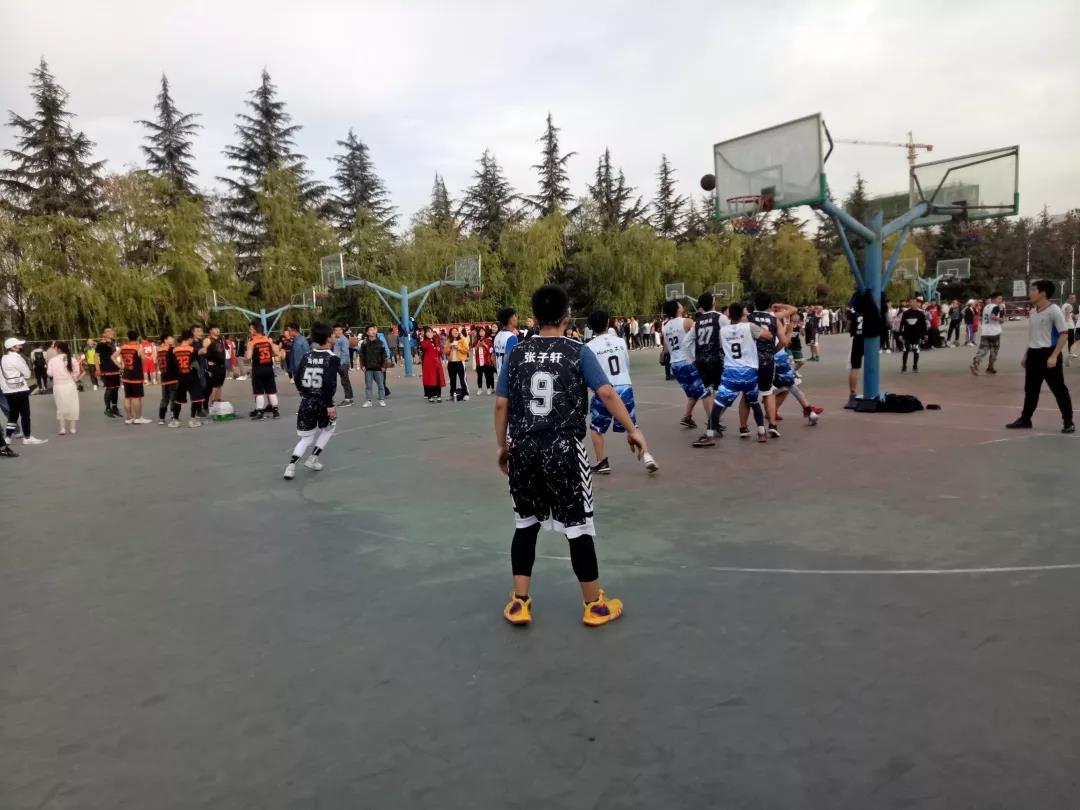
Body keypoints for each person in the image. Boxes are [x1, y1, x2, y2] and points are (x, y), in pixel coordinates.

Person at [496, 285, 649, 627]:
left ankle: (520, 602)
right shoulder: (577, 351)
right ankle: (594, 605)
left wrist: (502, 446)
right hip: (564, 450)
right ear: (567, 317)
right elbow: (606, 392)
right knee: (578, 528)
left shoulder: (517, 353)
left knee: (525, 525)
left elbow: (501, 403)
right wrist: (632, 429)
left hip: (523, 449)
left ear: (534, 318)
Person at [585, 309, 659, 475]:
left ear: (590, 326)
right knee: (632, 425)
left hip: (604, 388)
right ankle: (647, 456)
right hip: (625, 385)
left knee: (596, 429)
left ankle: (602, 462)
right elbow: (626, 362)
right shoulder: (620, 342)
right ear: (608, 322)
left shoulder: (589, 347)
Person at [694, 302, 771, 447]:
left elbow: (722, 347)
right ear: (743, 314)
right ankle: (761, 433)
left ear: (729, 315)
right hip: (749, 372)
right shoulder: (749, 326)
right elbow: (768, 336)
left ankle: (710, 436)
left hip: (731, 373)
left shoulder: (723, 331)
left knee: (718, 405)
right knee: (754, 403)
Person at [1006, 280, 1074, 433]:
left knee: (1059, 389)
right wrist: (1026, 354)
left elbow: (1064, 334)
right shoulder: (1033, 312)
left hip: (1049, 353)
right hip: (1033, 354)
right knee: (1031, 390)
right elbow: (1033, 336)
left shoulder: (1054, 310)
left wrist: (1054, 356)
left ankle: (1068, 421)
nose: (1030, 293)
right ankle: (1025, 419)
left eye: (1033, 290)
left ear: (1043, 293)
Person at [283, 321, 339, 480]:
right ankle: (313, 458)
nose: (334, 337)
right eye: (333, 335)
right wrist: (329, 405)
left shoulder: (307, 355)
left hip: (307, 401)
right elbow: (329, 383)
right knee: (329, 428)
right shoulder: (332, 358)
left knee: (306, 437)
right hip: (322, 401)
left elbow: (297, 377)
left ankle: (291, 466)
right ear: (328, 338)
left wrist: (302, 392)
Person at [662, 299, 713, 431]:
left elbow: (666, 349)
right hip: (688, 361)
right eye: (679, 304)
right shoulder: (687, 322)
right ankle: (712, 422)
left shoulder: (665, 327)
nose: (681, 305)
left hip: (675, 364)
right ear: (677, 309)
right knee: (706, 392)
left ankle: (687, 417)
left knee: (693, 393)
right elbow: (701, 335)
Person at [2, 337, 47, 444]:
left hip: (8, 390)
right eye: (18, 345)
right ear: (12, 347)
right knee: (25, 414)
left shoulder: (3, 358)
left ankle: (8, 437)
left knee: (13, 415)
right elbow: (27, 374)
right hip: (20, 389)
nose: (21, 346)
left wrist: (5, 388)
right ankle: (27, 437)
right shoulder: (17, 358)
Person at [244, 322, 282, 419]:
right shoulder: (268, 340)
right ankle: (275, 411)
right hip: (269, 368)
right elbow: (276, 353)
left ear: (255, 330)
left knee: (259, 392)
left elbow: (248, 357)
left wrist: (247, 352)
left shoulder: (252, 342)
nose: (250, 331)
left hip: (258, 369)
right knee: (271, 391)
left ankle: (260, 412)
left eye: (251, 329)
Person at [169, 331, 203, 428]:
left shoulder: (174, 350)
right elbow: (196, 364)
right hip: (192, 377)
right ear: (190, 338)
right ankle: (192, 420)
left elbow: (171, 366)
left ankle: (175, 420)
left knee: (178, 400)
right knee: (196, 398)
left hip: (180, 378)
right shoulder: (192, 349)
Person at [47, 340, 82, 435]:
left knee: (60, 406)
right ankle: (72, 428)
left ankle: (62, 428)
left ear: (58, 349)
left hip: (58, 386)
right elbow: (76, 372)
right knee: (73, 405)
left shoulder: (52, 360)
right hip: (70, 385)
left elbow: (49, 373)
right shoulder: (72, 359)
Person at [117, 331, 151, 424]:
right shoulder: (139, 347)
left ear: (128, 337)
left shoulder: (123, 347)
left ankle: (129, 418)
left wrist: (121, 366)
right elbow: (143, 361)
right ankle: (138, 417)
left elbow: (113, 356)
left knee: (127, 397)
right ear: (137, 337)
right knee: (137, 397)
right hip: (136, 375)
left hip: (126, 375)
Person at [971, 293, 1005, 376]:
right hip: (994, 332)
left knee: (982, 350)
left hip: (985, 332)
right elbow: (993, 316)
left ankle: (975, 364)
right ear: (994, 299)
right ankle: (990, 367)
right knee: (994, 351)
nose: (1000, 300)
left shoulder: (986, 307)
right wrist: (1001, 319)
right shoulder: (996, 307)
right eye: (999, 298)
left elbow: (982, 318)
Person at [359, 325, 388, 407]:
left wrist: (383, 366)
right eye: (371, 330)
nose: (373, 331)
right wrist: (362, 365)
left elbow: (384, 355)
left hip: (378, 368)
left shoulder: (380, 343)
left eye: (374, 329)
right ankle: (368, 401)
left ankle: (382, 399)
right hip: (368, 368)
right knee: (368, 385)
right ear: (367, 333)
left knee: (381, 385)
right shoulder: (364, 343)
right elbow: (362, 355)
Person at [202, 326, 228, 408]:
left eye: (218, 329)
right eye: (215, 329)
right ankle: (212, 403)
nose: (218, 330)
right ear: (210, 331)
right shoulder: (208, 340)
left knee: (220, 384)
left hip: (222, 365)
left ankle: (218, 401)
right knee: (214, 385)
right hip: (214, 366)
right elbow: (203, 351)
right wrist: (207, 361)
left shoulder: (220, 340)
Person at [900, 298, 928, 373]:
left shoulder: (920, 313)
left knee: (916, 351)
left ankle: (915, 366)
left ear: (916, 303)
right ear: (909, 303)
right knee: (906, 350)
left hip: (917, 335)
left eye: (914, 302)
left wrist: (925, 334)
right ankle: (904, 366)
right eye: (911, 302)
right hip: (907, 335)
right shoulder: (905, 313)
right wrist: (900, 334)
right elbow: (902, 324)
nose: (912, 303)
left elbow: (924, 324)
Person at [329, 325, 354, 407]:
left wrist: (340, 363)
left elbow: (345, 353)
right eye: (336, 330)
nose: (338, 332)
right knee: (338, 380)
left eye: (339, 330)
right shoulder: (336, 339)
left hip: (342, 363)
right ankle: (349, 398)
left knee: (345, 381)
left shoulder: (343, 340)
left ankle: (348, 399)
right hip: (336, 363)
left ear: (342, 331)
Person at [419, 327, 445, 402]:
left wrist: (439, 349)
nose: (430, 333)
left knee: (438, 378)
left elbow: (440, 352)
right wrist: (423, 340)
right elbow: (424, 346)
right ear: (425, 333)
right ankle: (430, 395)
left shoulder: (436, 340)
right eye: (428, 332)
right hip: (429, 363)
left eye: (431, 331)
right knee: (430, 378)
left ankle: (438, 395)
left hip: (437, 362)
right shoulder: (424, 341)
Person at [445, 326, 470, 402]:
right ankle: (452, 394)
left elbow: (466, 350)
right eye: (453, 331)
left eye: (456, 331)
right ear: (450, 333)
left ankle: (466, 394)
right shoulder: (448, 341)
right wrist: (450, 348)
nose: (455, 332)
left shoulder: (462, 339)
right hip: (451, 363)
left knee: (463, 379)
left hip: (460, 362)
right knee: (452, 380)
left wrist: (458, 348)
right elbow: (445, 352)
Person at [156, 333, 177, 425]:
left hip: (164, 376)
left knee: (164, 398)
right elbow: (175, 363)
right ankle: (173, 416)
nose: (173, 339)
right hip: (172, 376)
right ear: (165, 340)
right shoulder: (172, 349)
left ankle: (161, 418)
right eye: (171, 338)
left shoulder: (160, 350)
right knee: (173, 398)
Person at [493, 307, 519, 376]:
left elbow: (493, 357)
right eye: (515, 316)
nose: (516, 318)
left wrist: (499, 372)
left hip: (500, 375)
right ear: (511, 319)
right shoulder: (512, 337)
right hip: (508, 377)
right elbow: (509, 360)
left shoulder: (497, 335)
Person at [474, 326, 496, 395]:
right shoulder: (476, 340)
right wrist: (478, 345)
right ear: (478, 333)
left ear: (485, 332)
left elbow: (490, 350)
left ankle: (488, 388)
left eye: (483, 331)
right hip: (479, 361)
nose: (482, 333)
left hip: (487, 360)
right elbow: (474, 350)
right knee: (479, 376)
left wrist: (484, 344)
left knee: (487, 376)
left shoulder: (488, 340)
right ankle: (479, 389)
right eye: (480, 332)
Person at [1063, 292, 1077, 363]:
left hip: (1065, 327)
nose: (1074, 299)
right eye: (1072, 298)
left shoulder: (1064, 305)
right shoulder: (1069, 306)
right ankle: (1070, 354)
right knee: (1071, 341)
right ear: (1068, 299)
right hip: (1069, 327)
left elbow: (1069, 314)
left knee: (1067, 342)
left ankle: (1069, 357)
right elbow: (1067, 316)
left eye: (1074, 298)